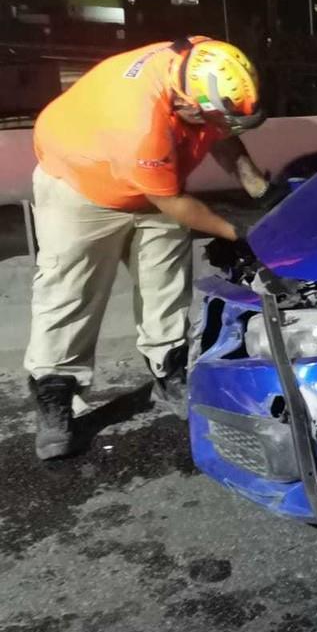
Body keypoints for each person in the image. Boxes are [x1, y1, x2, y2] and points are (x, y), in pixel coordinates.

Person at [24, 36, 269, 459]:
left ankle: (168, 371)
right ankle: (55, 392)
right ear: (188, 105)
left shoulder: (205, 61)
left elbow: (221, 133)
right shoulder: (137, 120)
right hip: (81, 186)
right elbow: (175, 205)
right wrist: (244, 231)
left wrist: (260, 189)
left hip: (156, 182)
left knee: (166, 285)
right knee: (69, 293)